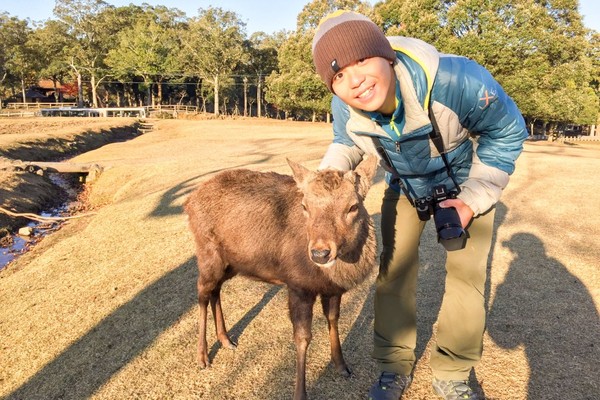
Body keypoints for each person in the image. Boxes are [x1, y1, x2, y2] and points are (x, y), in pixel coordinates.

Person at [311, 10, 528, 400]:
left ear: (386, 55)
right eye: (338, 75)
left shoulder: (457, 79)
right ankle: (393, 368)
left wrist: (471, 200)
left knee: (466, 277)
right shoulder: (345, 105)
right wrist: (323, 182)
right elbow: (346, 142)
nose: (354, 80)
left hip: (465, 179)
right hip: (406, 184)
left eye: (360, 60)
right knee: (393, 274)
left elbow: (506, 130)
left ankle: (453, 372)